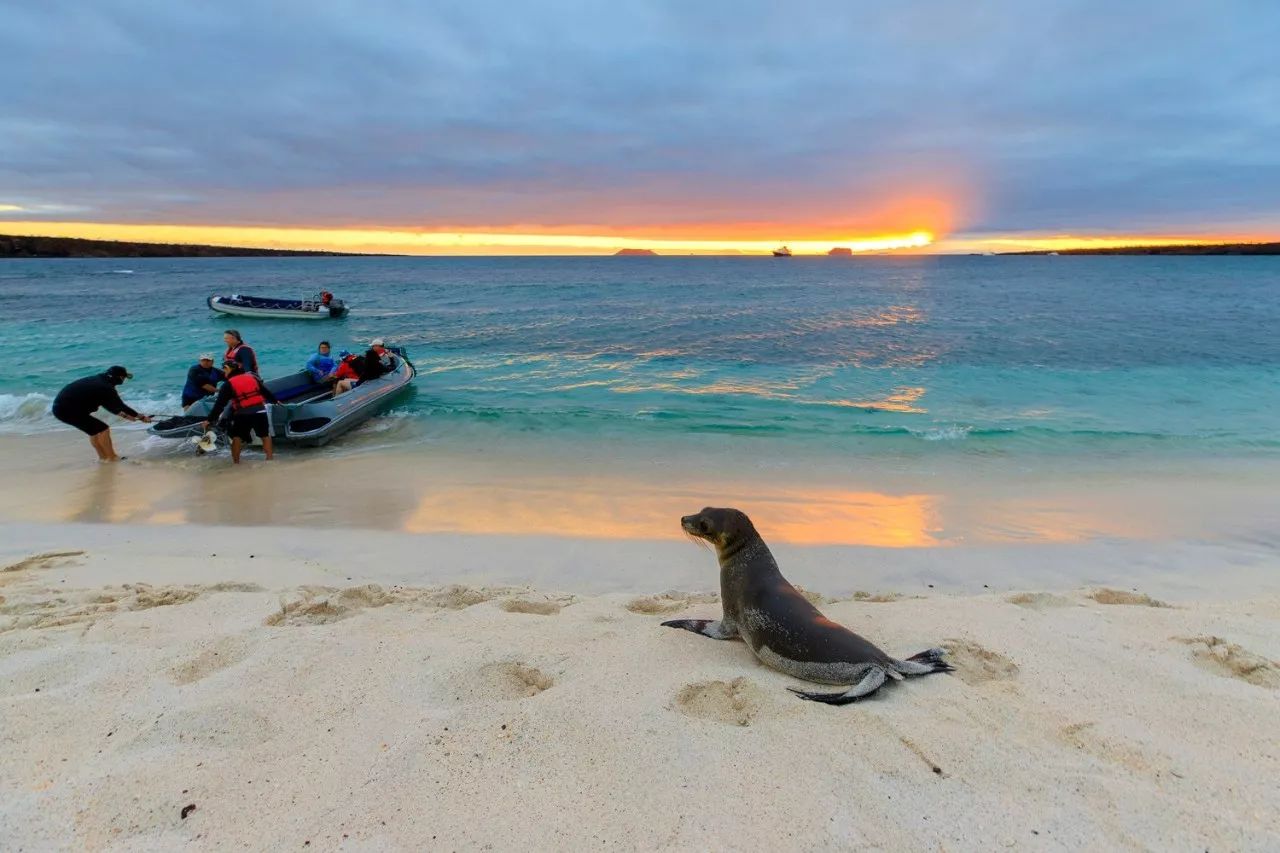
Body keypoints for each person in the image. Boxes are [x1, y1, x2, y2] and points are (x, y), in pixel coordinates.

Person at [52, 365, 153, 462]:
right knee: (103, 429)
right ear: (120, 377)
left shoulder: (100, 381)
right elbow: (121, 406)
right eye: (124, 377)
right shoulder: (106, 387)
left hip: (60, 409)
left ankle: (104, 458)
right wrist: (141, 417)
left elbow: (110, 405)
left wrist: (127, 416)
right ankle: (112, 457)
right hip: (69, 410)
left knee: (95, 431)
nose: (124, 380)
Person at [201, 361, 279, 463]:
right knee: (265, 435)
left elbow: (219, 405)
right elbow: (265, 392)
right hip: (260, 411)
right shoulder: (252, 378)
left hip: (243, 414)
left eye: (224, 370)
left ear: (228, 369)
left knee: (237, 437)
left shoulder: (228, 384)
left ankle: (236, 463)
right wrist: (276, 401)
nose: (223, 372)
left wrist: (209, 420)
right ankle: (270, 459)